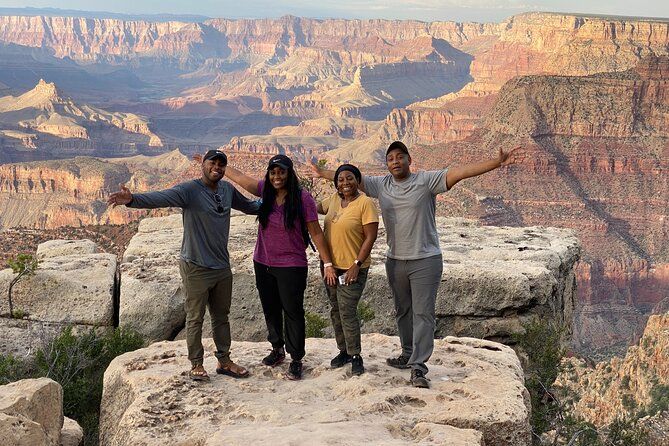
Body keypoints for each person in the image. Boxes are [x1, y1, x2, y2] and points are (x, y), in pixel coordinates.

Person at [311, 141, 523, 388]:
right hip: (395, 260)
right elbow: (349, 180)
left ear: (410, 160)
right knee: (403, 311)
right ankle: (407, 353)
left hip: (425, 259)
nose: (395, 162)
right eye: (390, 158)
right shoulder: (381, 185)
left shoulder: (426, 181)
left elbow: (460, 173)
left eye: (400, 157)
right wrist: (322, 173)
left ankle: (419, 367)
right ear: (387, 164)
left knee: (423, 313)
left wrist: (495, 163)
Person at [107, 149, 259, 381]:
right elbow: (162, 197)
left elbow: (249, 206)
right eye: (212, 163)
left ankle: (224, 361)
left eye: (221, 164)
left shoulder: (227, 190)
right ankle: (196, 364)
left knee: (221, 316)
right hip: (196, 266)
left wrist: (279, 199)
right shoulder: (190, 190)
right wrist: (132, 200)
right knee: (195, 317)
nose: (216, 167)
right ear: (203, 165)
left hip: (221, 267)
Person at [225, 154, 336, 380]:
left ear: (289, 173)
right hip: (263, 262)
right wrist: (217, 166)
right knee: (270, 308)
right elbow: (242, 179)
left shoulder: (302, 198)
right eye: (273, 172)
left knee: (293, 311)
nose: (277, 176)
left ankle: (296, 358)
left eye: (281, 172)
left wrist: (327, 262)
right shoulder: (265, 190)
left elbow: (315, 231)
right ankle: (277, 349)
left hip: (292, 264)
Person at [317, 164, 379, 376]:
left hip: (352, 268)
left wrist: (356, 265)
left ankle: (356, 355)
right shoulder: (334, 199)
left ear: (358, 180)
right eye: (341, 179)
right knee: (335, 309)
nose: (345, 183)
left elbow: (371, 236)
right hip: (330, 267)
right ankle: (343, 350)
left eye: (350, 178)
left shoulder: (365, 203)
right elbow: (316, 208)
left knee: (347, 310)